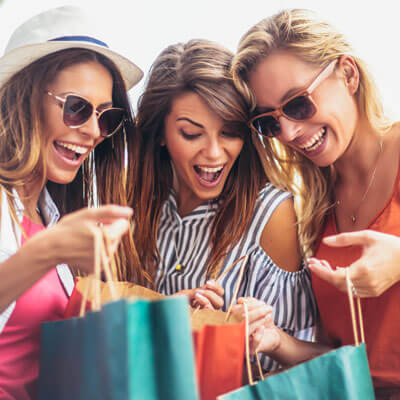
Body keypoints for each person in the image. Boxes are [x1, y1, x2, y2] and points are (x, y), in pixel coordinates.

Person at [232, 8, 400, 395]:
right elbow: (348, 362)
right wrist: (277, 341)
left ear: (348, 74)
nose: (288, 132)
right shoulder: (313, 209)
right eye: (269, 122)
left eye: (297, 104)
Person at [131, 39, 316, 374]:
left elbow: (299, 365)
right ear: (160, 133)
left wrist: (251, 336)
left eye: (229, 132)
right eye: (191, 134)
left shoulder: (272, 215)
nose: (215, 154)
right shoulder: (137, 206)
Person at [0, 6, 143, 399]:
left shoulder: (48, 218)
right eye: (76, 108)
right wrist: (44, 253)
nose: (95, 131)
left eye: (105, 116)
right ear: (23, 98)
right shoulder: (47, 237)